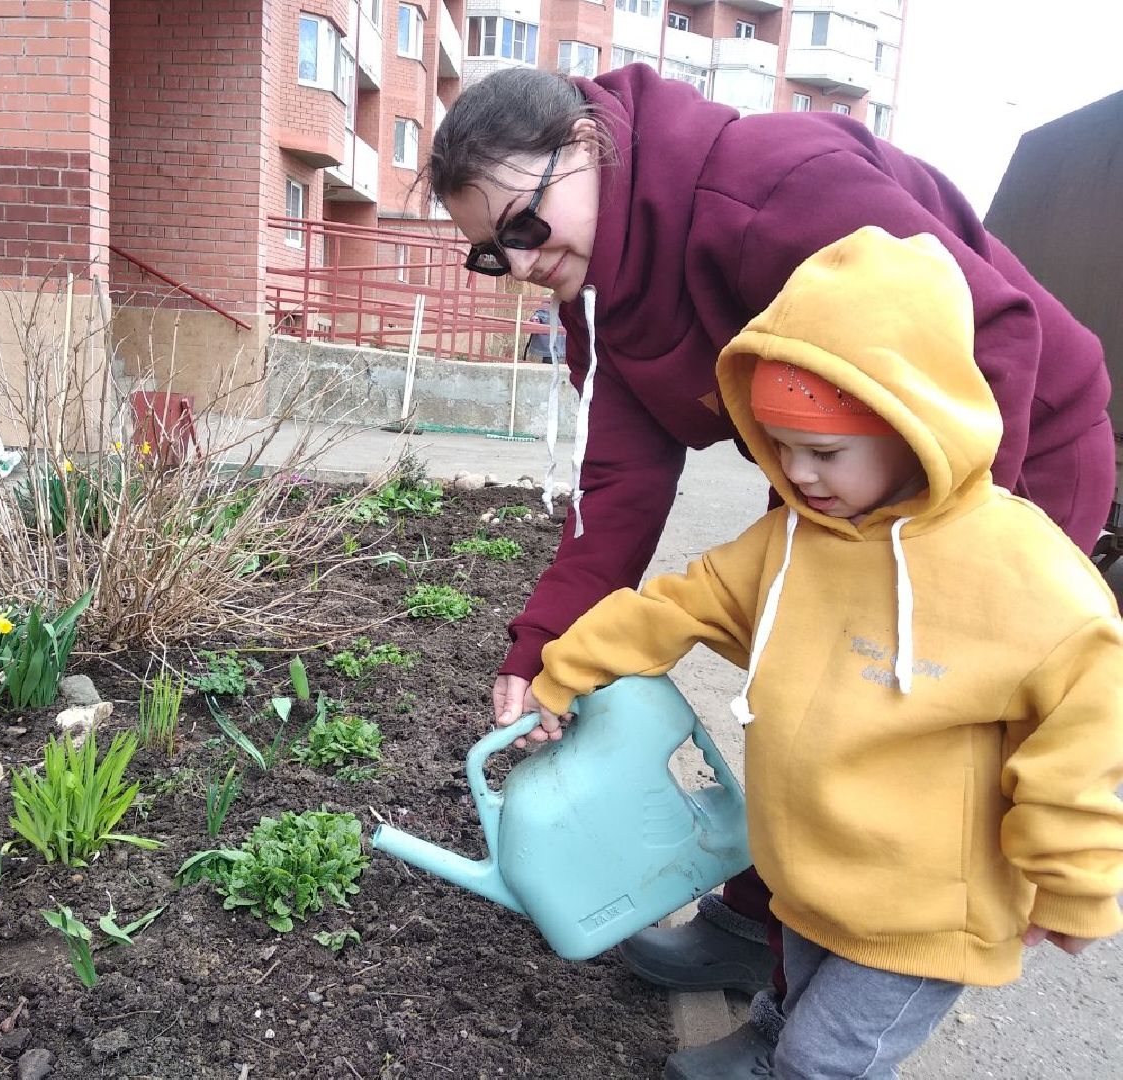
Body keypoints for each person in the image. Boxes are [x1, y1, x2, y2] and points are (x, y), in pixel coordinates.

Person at [426, 63, 1115, 1076]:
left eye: (524, 227)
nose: (520, 265)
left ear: (589, 143)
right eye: (492, 254)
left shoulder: (769, 183)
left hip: (998, 470)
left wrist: (948, 543)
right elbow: (619, 482)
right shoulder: (599, 302)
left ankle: (890, 967)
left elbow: (991, 326)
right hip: (841, 494)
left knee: (916, 743)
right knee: (803, 696)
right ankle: (773, 925)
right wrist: (545, 649)